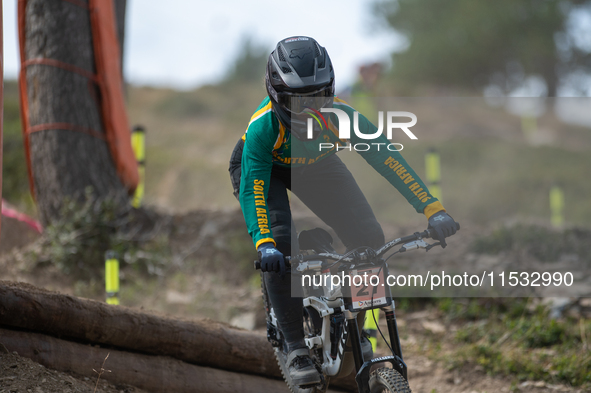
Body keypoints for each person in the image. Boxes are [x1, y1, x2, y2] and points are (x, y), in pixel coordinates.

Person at [229, 36, 457, 388]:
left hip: (316, 163)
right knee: (281, 241)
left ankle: (352, 329)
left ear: (331, 91)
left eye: (317, 97)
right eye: (296, 99)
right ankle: (293, 345)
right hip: (265, 170)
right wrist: (265, 243)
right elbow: (255, 190)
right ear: (276, 94)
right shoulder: (262, 129)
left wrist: (433, 209)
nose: (307, 108)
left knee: (369, 237)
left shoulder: (342, 118)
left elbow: (388, 159)